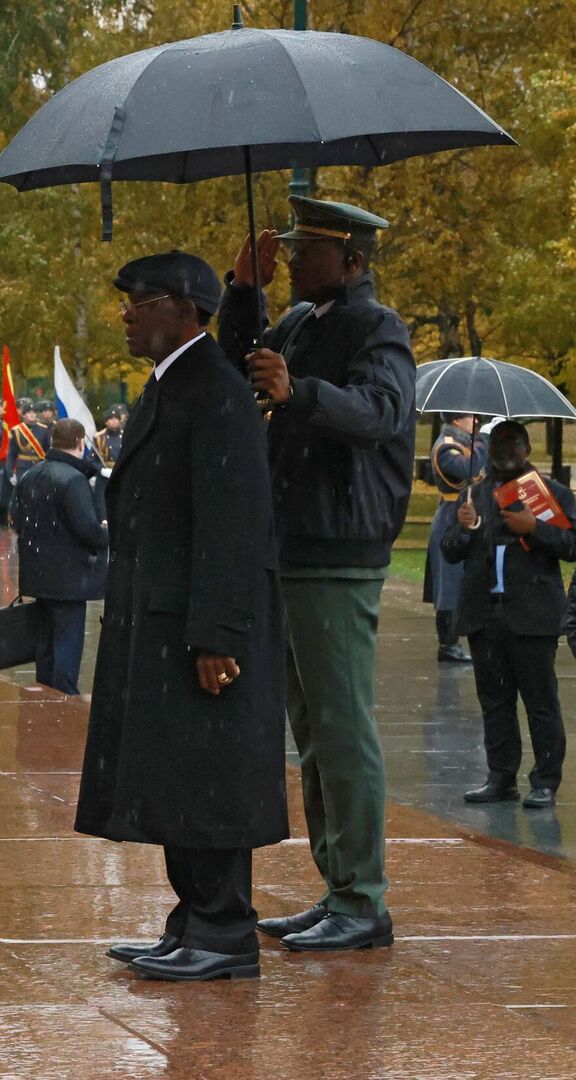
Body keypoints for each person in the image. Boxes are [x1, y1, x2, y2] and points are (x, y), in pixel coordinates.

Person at [78, 250, 286, 983]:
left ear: (185, 310)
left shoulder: (217, 391)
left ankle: (225, 931)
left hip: (198, 629)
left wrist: (217, 635)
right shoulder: (178, 385)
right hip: (161, 619)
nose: (128, 313)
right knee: (178, 778)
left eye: (142, 299)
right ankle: (192, 921)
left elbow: (234, 524)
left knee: (211, 780)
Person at [221, 195, 415, 953]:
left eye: (307, 250)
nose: (293, 259)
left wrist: (298, 391)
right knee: (312, 731)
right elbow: (245, 360)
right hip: (294, 542)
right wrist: (243, 290)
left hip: (340, 549)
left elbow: (381, 411)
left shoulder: (378, 328)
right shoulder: (302, 323)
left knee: (341, 729)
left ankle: (364, 898)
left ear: (353, 261)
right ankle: (338, 886)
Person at [444, 421, 574, 808]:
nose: (506, 450)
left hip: (532, 616)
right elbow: (450, 551)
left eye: (513, 442)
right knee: (495, 702)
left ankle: (545, 780)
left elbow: (571, 545)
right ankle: (501, 777)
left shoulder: (551, 494)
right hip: (485, 617)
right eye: (499, 442)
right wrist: (464, 529)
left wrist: (535, 528)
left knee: (540, 703)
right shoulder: (473, 494)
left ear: (527, 447)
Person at [13, 418, 107, 696]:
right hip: (68, 578)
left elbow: (17, 518)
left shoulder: (32, 473)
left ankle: (46, 694)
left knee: (45, 644)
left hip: (38, 572)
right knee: (67, 644)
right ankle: (65, 699)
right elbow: (87, 529)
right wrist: (106, 534)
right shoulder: (74, 479)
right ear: (80, 443)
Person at [426, 414, 485, 662]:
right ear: (457, 420)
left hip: (466, 512)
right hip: (452, 515)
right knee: (448, 584)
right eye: (470, 416)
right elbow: (467, 470)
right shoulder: (447, 445)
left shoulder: (463, 443)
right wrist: (484, 443)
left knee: (461, 580)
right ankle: (447, 644)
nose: (475, 421)